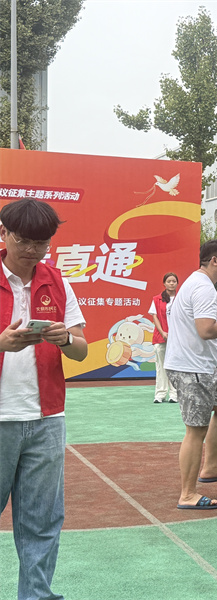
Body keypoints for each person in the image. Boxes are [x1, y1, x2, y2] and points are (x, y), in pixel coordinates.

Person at [0, 198, 88, 600]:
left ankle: (36, 596)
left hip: (47, 419)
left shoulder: (58, 282)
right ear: (4, 233)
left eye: (43, 243)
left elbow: (81, 350)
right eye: (24, 240)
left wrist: (65, 338)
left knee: (42, 521)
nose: (33, 250)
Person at [165, 240, 217, 510]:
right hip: (192, 369)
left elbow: (199, 327)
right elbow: (204, 330)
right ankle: (187, 494)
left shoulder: (195, 283)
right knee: (196, 430)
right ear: (214, 260)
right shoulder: (203, 288)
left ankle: (210, 468)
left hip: (199, 367)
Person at [150, 272, 179, 403]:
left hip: (177, 338)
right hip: (160, 337)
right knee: (161, 366)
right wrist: (162, 332)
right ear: (164, 283)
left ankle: (174, 394)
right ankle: (160, 394)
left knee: (175, 366)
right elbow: (155, 316)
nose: (171, 283)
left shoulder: (181, 298)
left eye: (174, 281)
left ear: (177, 283)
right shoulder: (157, 299)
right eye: (169, 281)